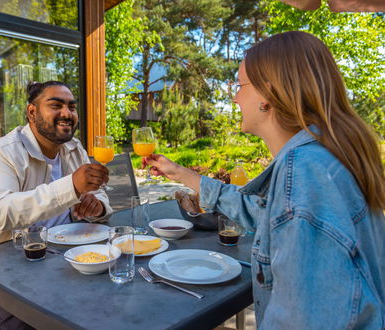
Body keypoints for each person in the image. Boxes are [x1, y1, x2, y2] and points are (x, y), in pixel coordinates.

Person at [145, 31, 384, 329]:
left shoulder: (306, 174)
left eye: (239, 85)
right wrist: (182, 174)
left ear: (267, 95)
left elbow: (303, 320)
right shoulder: (324, 156)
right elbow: (266, 214)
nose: (234, 96)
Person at [0, 81, 112, 329]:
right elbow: (0, 212)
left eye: (72, 107)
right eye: (56, 105)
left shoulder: (74, 149)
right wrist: (71, 187)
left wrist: (98, 206)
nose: (67, 113)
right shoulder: (0, 153)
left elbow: (99, 191)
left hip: (63, 253)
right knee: (37, 320)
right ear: (32, 112)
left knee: (113, 289)